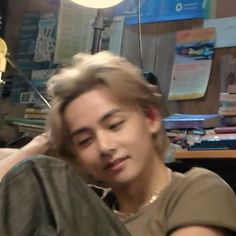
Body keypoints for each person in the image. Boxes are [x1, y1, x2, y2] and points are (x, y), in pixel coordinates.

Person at [0, 51, 236, 236]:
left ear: (150, 118)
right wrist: (41, 142)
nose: (104, 146)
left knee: (38, 171)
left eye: (114, 125)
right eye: (85, 140)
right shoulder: (85, 207)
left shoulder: (199, 189)